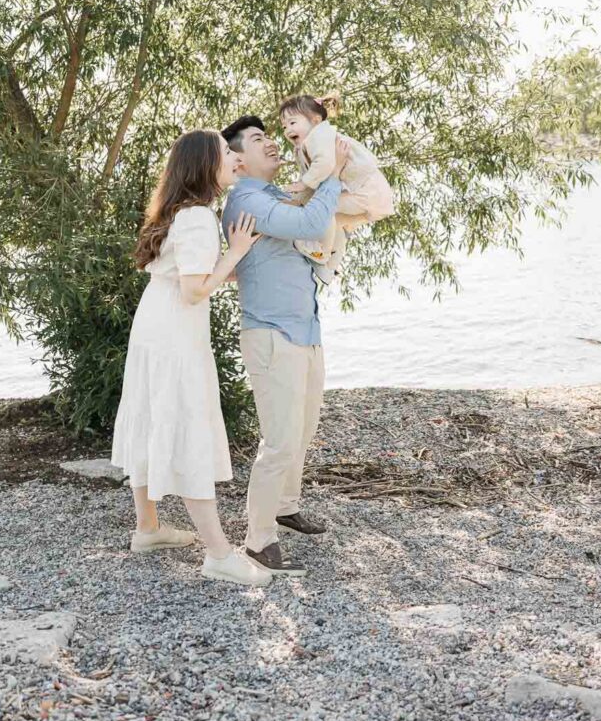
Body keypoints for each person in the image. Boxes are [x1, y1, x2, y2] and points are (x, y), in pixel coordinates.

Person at [111, 129, 272, 587]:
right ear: (206, 164)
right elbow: (194, 289)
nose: (235, 159)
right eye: (227, 153)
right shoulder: (199, 217)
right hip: (176, 334)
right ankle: (219, 553)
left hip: (153, 327)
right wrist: (236, 254)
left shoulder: (177, 212)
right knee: (187, 425)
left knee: (151, 416)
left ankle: (148, 527)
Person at [221, 116, 350, 577]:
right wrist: (332, 173)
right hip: (272, 334)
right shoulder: (247, 201)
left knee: (304, 428)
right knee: (278, 441)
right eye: (258, 140)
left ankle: (285, 506)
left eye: (269, 136)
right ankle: (258, 540)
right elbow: (314, 224)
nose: (271, 143)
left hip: (305, 330)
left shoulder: (276, 193)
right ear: (238, 159)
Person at [280, 92, 394, 280]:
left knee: (326, 210)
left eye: (292, 123)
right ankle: (330, 266)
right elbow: (315, 180)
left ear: (315, 121)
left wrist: (302, 185)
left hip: (366, 190)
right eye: (284, 126)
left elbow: (324, 165)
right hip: (365, 192)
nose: (287, 129)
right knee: (335, 224)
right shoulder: (306, 145)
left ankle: (321, 252)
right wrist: (298, 195)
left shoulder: (319, 136)